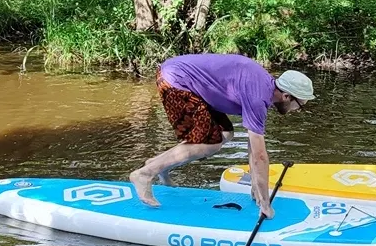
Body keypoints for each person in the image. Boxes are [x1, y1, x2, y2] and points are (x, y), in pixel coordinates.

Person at [130, 53, 314, 218]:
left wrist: (257, 187)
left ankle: (161, 167)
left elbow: (253, 148)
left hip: (185, 80)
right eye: (301, 105)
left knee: (225, 133)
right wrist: (266, 204)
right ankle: (145, 174)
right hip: (176, 80)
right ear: (287, 96)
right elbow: (260, 156)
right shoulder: (258, 98)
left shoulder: (263, 87)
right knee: (212, 143)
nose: (298, 110)